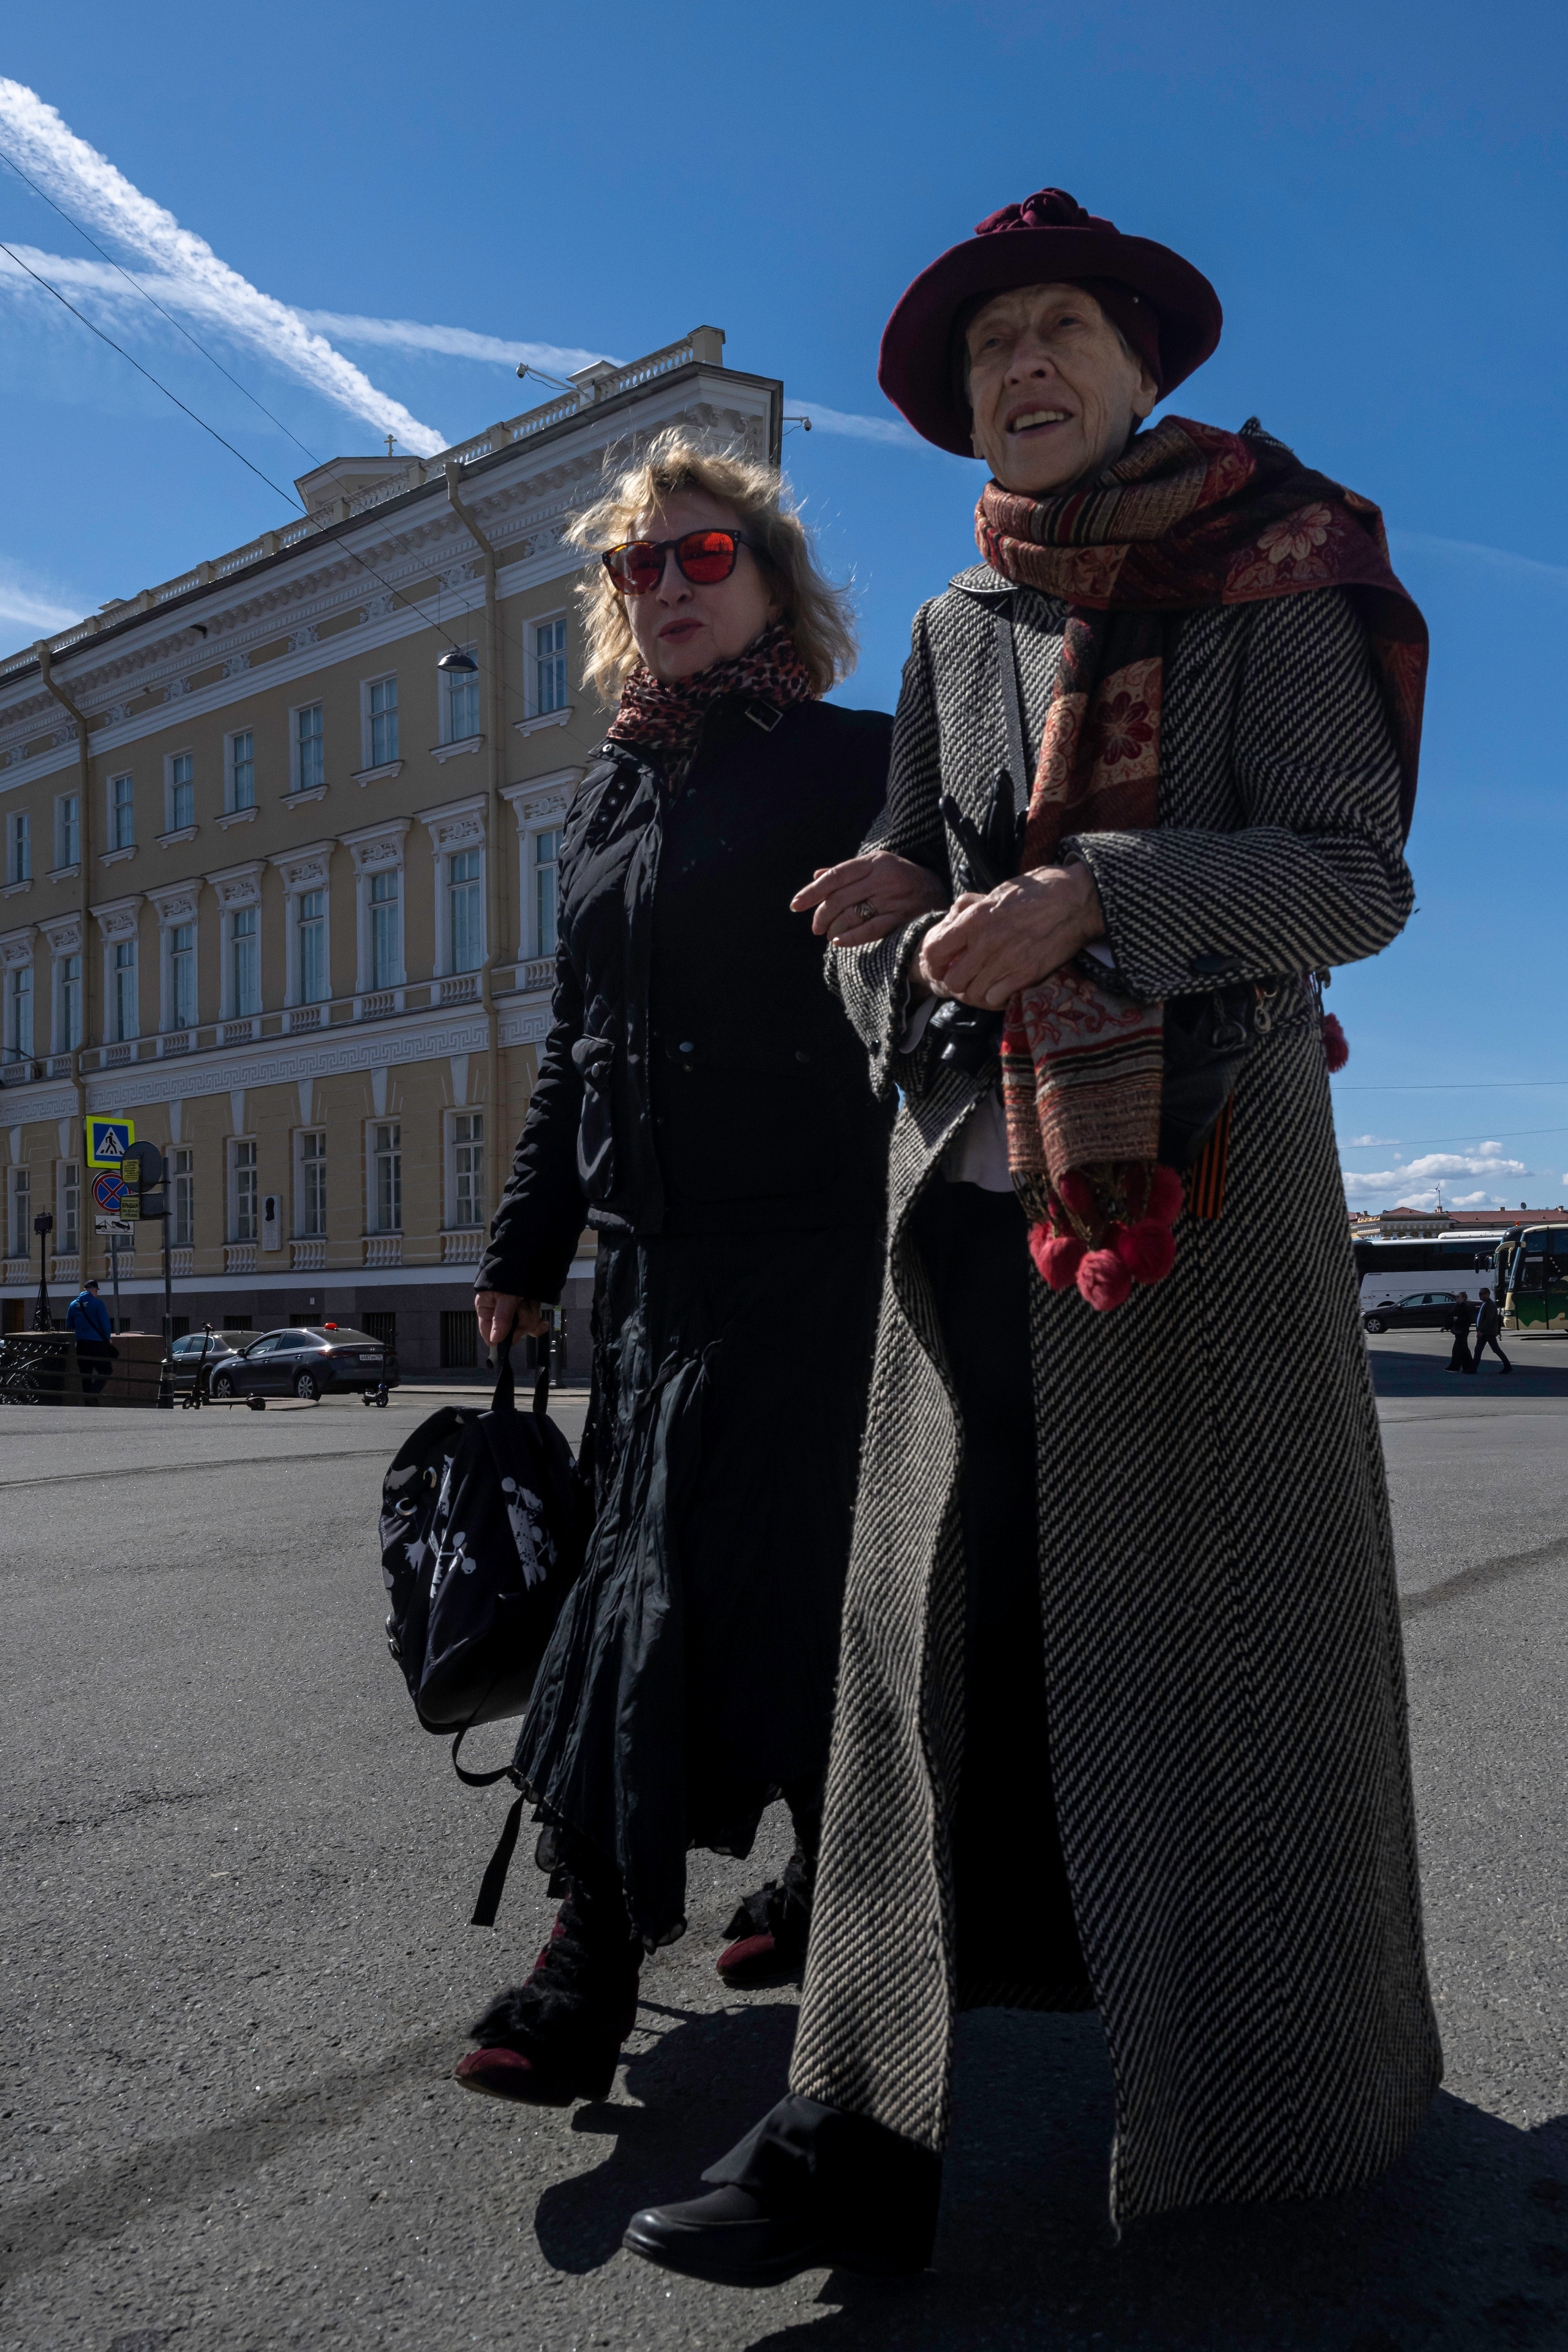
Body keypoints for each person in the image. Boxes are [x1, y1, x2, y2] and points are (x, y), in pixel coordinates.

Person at [624, 183, 1442, 2285]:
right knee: (921, 1667)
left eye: (1063, 327)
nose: (1025, 367)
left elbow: (1352, 879)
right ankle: (858, 2119)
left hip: (1203, 1223)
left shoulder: (1293, 569)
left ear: (1148, 364)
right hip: (964, 1214)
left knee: (1212, 1665)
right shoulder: (953, 630)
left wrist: (1100, 901)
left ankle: (1273, 2110)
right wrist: (894, 950)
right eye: (990, 351)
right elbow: (892, 889)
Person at [458, 429, 895, 2108]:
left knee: (808, 1594)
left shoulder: (859, 757)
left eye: (705, 559)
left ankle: (819, 1878)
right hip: (649, 1276)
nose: (667, 589)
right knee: (628, 1595)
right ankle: (598, 1932)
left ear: (776, 583)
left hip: (820, 1259)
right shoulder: (610, 792)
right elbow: (581, 1034)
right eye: (640, 566)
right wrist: (525, 1241)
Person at [66, 1277, 113, 1401]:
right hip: (96, 1343)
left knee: (86, 1374)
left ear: (84, 1290)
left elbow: (69, 1324)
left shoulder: (72, 1305)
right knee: (106, 1370)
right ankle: (92, 1395)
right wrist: (108, 1338)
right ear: (96, 1290)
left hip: (81, 1343)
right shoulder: (98, 1304)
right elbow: (105, 1324)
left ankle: (88, 1402)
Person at [1473, 1286, 1511, 1373]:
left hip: (1488, 1332)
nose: (1480, 1296)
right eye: (1479, 1294)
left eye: (1481, 1294)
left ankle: (1508, 1366)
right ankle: (1473, 1369)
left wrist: (1481, 1330)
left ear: (1487, 1294)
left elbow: (1488, 1319)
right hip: (1485, 1332)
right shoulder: (1485, 1304)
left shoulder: (1490, 1304)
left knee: (1495, 1349)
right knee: (1478, 1350)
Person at [1445, 1291, 1475, 1374]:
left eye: (1458, 1297)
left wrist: (1458, 1319)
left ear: (1463, 1298)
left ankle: (1454, 1367)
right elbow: (1451, 1317)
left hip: (1463, 1331)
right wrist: (1446, 1327)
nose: (1456, 1298)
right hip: (1459, 1330)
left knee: (1457, 1350)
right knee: (1464, 1349)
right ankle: (1468, 1367)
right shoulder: (1458, 1307)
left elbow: (1469, 1320)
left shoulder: (1466, 1307)